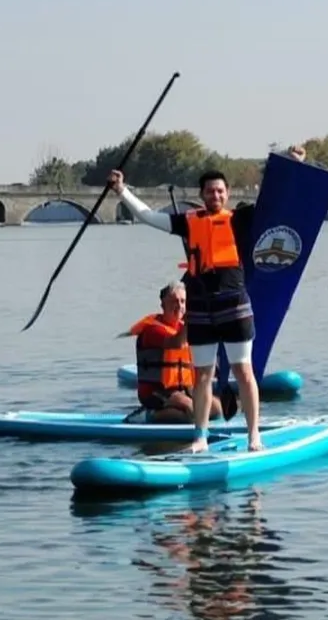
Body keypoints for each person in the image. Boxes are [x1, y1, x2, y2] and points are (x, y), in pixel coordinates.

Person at [107, 147, 307, 452]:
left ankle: (254, 436)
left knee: (243, 371)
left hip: (234, 306)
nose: (215, 195)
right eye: (210, 191)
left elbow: (275, 199)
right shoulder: (188, 221)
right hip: (201, 311)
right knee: (202, 376)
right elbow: (148, 216)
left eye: (220, 191)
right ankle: (199, 438)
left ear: (226, 194)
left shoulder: (241, 218)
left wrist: (293, 165)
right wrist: (122, 190)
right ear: (202, 195)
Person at [120, 281, 232, 424]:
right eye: (174, 301)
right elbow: (176, 343)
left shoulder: (184, 328)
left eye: (183, 301)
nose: (179, 306)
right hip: (157, 391)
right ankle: (148, 415)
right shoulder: (153, 330)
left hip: (184, 389)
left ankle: (177, 411)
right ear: (163, 305)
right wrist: (190, 321)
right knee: (193, 413)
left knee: (217, 409)